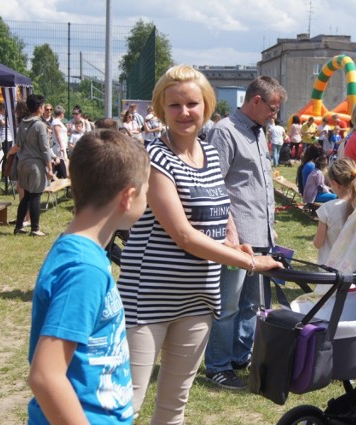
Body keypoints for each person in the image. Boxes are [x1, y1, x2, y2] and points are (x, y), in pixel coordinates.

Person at [117, 66, 282, 421]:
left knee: (175, 401)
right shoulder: (154, 156)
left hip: (198, 297)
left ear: (206, 105)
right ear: (161, 108)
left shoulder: (208, 155)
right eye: (174, 105)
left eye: (192, 103)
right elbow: (184, 235)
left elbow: (223, 209)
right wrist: (251, 263)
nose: (184, 112)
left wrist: (235, 242)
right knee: (126, 404)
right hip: (148, 298)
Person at [27, 130, 149, 424]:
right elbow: (45, 374)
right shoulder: (85, 270)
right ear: (128, 197)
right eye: (147, 190)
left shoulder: (83, 252)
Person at [205, 75, 286, 390]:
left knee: (253, 304)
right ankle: (218, 367)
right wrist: (230, 233)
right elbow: (215, 186)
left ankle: (240, 357)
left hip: (261, 235)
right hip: (236, 240)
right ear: (256, 101)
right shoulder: (224, 132)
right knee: (228, 305)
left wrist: (270, 228)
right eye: (273, 109)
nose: (274, 115)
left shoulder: (258, 133)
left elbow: (260, 184)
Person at [314, 158, 356, 264]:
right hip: (353, 268)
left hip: (329, 270)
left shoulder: (327, 209)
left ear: (335, 184)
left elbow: (318, 243)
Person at [13, 94, 54, 237]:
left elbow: (17, 145)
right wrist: (50, 168)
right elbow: (45, 149)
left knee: (26, 196)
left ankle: (18, 226)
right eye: (43, 106)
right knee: (36, 196)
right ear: (38, 108)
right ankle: (35, 229)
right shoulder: (40, 125)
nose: (44, 109)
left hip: (22, 162)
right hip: (35, 164)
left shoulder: (22, 123)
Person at [50, 105, 68, 179]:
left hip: (60, 146)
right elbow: (58, 135)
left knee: (59, 165)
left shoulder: (58, 122)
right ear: (61, 113)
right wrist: (61, 146)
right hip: (58, 147)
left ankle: (57, 178)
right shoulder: (56, 122)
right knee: (61, 163)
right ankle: (63, 178)